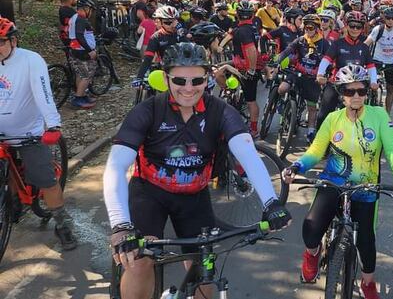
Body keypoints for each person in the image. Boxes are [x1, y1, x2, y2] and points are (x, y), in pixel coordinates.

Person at [104, 42, 291, 299]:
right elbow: (116, 165)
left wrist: (271, 202)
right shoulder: (147, 111)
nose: (189, 89)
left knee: (206, 270)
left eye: (197, 80)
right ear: (166, 78)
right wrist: (120, 226)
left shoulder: (219, 111)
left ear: (208, 78)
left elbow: (247, 153)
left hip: (194, 197)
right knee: (139, 261)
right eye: (179, 80)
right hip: (149, 194)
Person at [282, 64, 393, 299]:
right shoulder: (333, 118)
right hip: (333, 182)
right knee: (311, 227)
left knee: (366, 243)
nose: (356, 97)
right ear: (341, 94)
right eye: (349, 92)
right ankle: (312, 253)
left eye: (361, 91)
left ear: (367, 92)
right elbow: (316, 151)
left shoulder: (379, 115)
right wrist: (296, 166)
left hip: (366, 187)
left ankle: (368, 283)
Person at [0, 17, 77, 250]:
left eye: (0, 42)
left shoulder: (31, 61)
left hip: (29, 133)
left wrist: (53, 125)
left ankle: (63, 223)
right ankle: (10, 202)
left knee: (45, 179)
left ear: (13, 41)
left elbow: (43, 94)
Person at [315, 11, 377, 130]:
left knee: (364, 114)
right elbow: (326, 60)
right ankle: (318, 142)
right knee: (323, 114)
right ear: (347, 26)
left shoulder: (364, 47)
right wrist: (320, 75)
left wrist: (373, 81)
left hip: (357, 85)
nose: (355, 29)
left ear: (362, 28)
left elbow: (371, 66)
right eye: (352, 25)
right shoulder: (338, 44)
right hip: (336, 83)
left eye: (358, 26)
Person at [275, 14, 328, 142]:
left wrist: (325, 74)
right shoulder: (300, 40)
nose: (308, 31)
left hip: (313, 78)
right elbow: (287, 51)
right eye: (306, 28)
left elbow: (329, 60)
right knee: (282, 88)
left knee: (312, 107)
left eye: (311, 28)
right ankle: (283, 105)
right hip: (297, 73)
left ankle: (310, 132)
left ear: (317, 28)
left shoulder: (324, 43)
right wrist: (278, 62)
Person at [364, 6, 393, 113]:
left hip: (392, 62)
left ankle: (387, 115)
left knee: (390, 89)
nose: (391, 21)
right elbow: (367, 43)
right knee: (370, 85)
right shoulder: (378, 29)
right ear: (384, 18)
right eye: (388, 18)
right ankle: (366, 107)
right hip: (376, 61)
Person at [230, 4, 262, 137]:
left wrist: (251, 69)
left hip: (245, 68)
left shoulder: (242, 31)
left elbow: (251, 50)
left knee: (251, 101)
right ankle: (232, 95)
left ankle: (254, 129)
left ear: (237, 15)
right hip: (242, 66)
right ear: (252, 15)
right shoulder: (252, 28)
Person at [133, 5, 183, 86]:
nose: (171, 25)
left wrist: (181, 33)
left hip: (183, 71)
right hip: (165, 71)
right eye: (167, 22)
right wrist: (139, 77)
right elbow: (148, 59)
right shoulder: (156, 37)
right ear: (160, 22)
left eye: (174, 22)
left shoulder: (181, 33)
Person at [67, 0, 98, 109]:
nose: (92, 13)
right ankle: (78, 98)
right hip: (81, 51)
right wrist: (90, 50)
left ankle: (82, 95)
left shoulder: (75, 17)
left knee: (80, 74)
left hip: (76, 49)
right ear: (86, 8)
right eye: (91, 10)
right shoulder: (80, 19)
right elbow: (79, 35)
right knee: (86, 75)